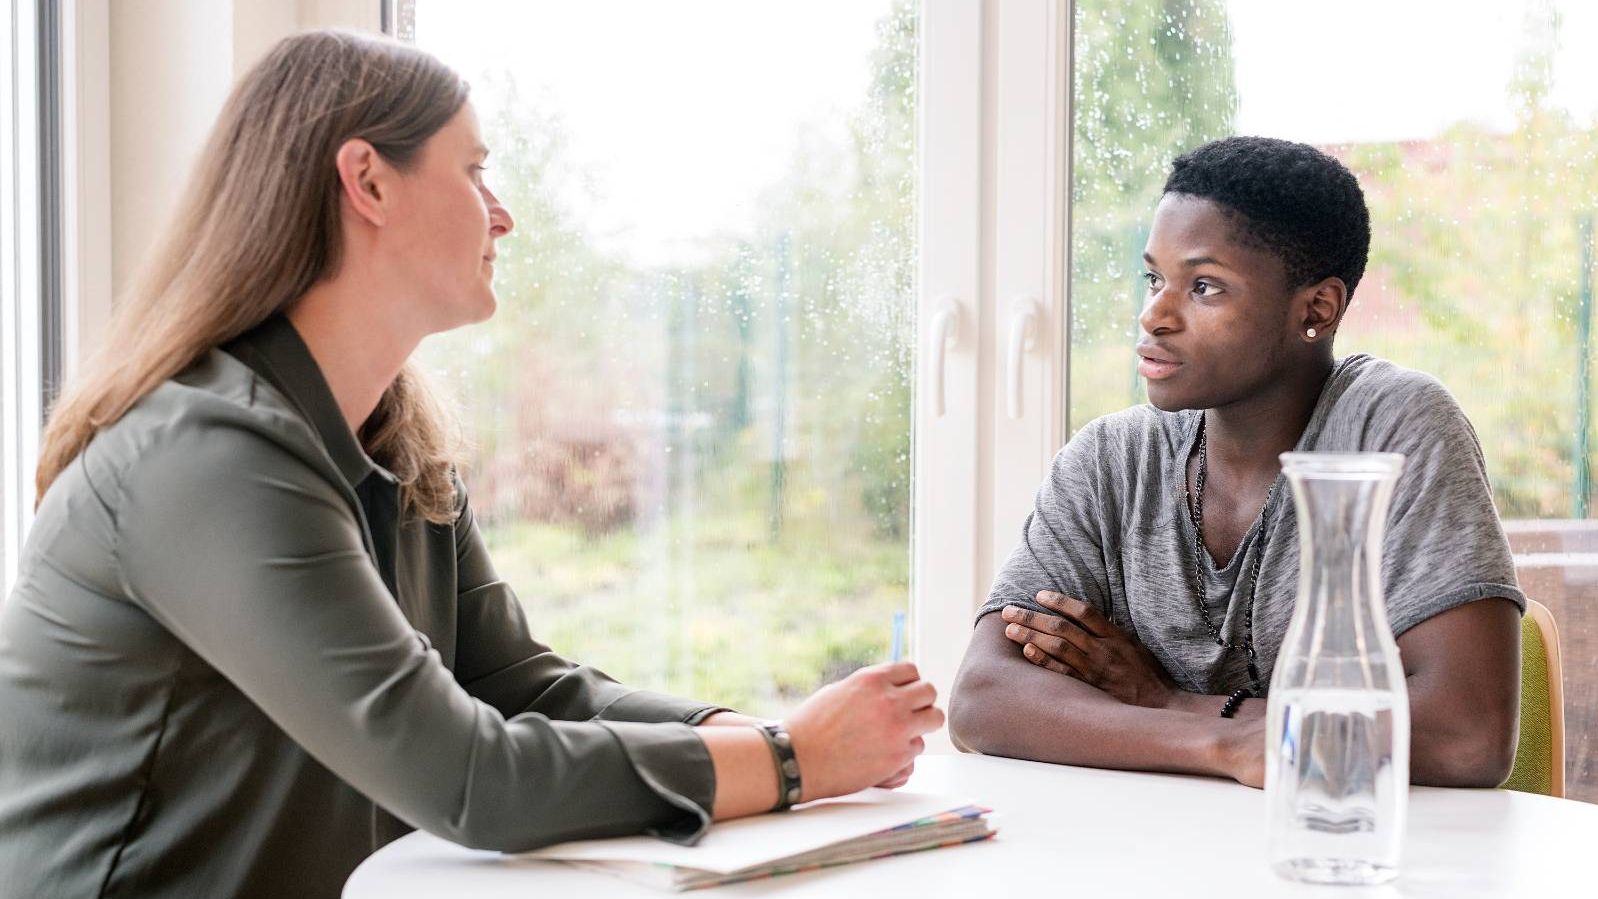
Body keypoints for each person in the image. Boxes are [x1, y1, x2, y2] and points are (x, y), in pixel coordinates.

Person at [0, 31, 941, 899]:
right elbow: (469, 776)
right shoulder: (206, 454)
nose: (504, 215)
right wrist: (793, 760)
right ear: (368, 182)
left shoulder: (395, 441)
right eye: (475, 170)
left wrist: (742, 733)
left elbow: (521, 684)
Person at [949, 136, 1524, 790]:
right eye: (1154, 279)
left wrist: (1169, 701)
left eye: (1204, 287)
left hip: (1343, 843)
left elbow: (1467, 736)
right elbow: (982, 699)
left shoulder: (1391, 430)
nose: (1154, 316)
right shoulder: (1111, 460)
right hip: (1144, 844)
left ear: (1317, 309)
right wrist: (1222, 743)